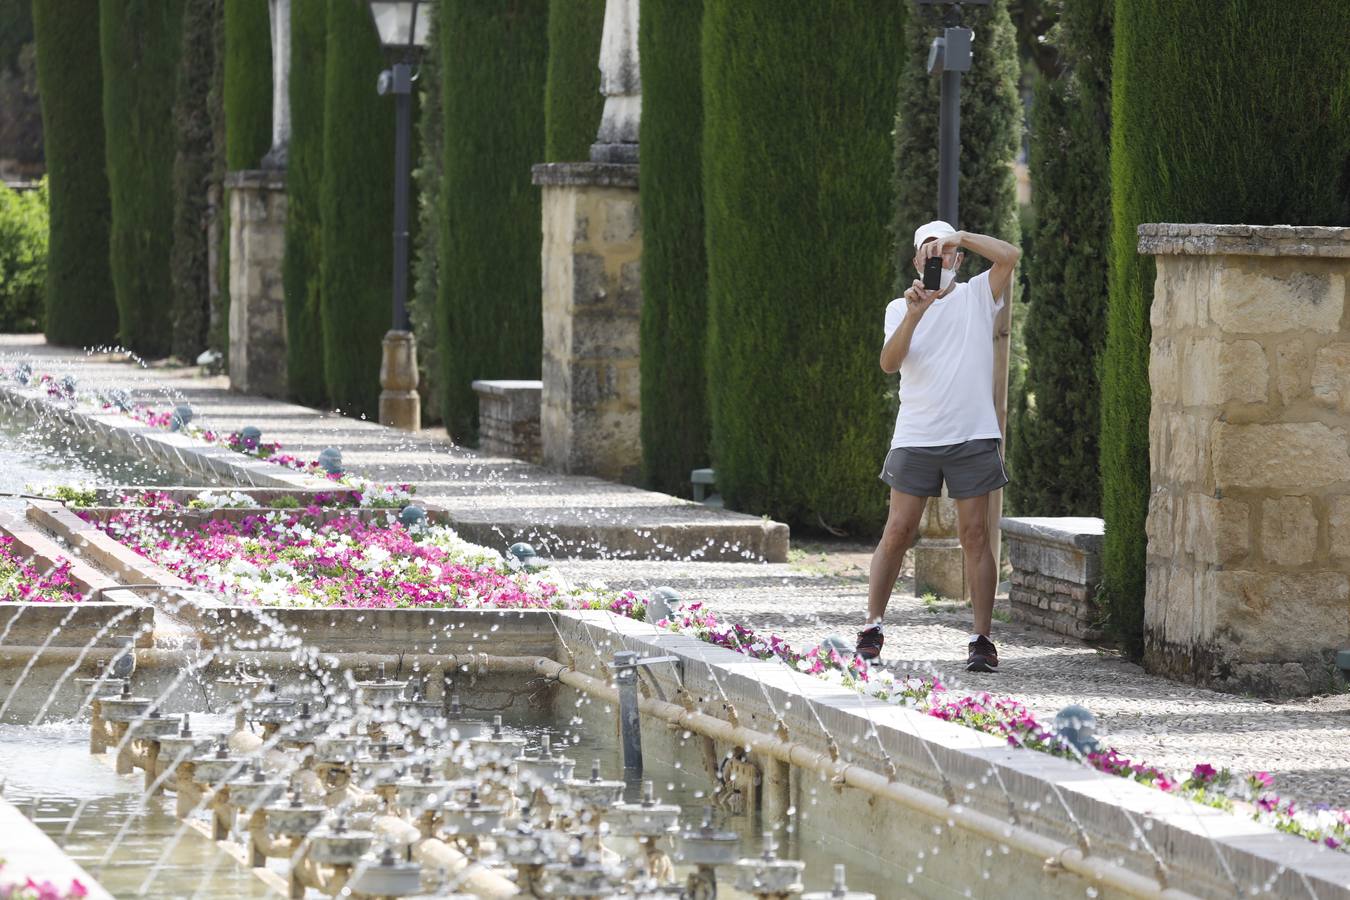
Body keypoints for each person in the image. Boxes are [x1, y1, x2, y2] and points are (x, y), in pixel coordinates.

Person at [855, 220, 1020, 672]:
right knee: (898, 531)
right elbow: (889, 364)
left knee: (975, 535)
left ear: (957, 260)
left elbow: (1010, 255)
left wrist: (960, 237)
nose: (938, 260)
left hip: (972, 434)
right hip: (917, 435)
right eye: (929, 253)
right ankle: (872, 627)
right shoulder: (900, 307)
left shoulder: (977, 295)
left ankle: (982, 639)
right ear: (915, 261)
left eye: (944, 253)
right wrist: (915, 313)